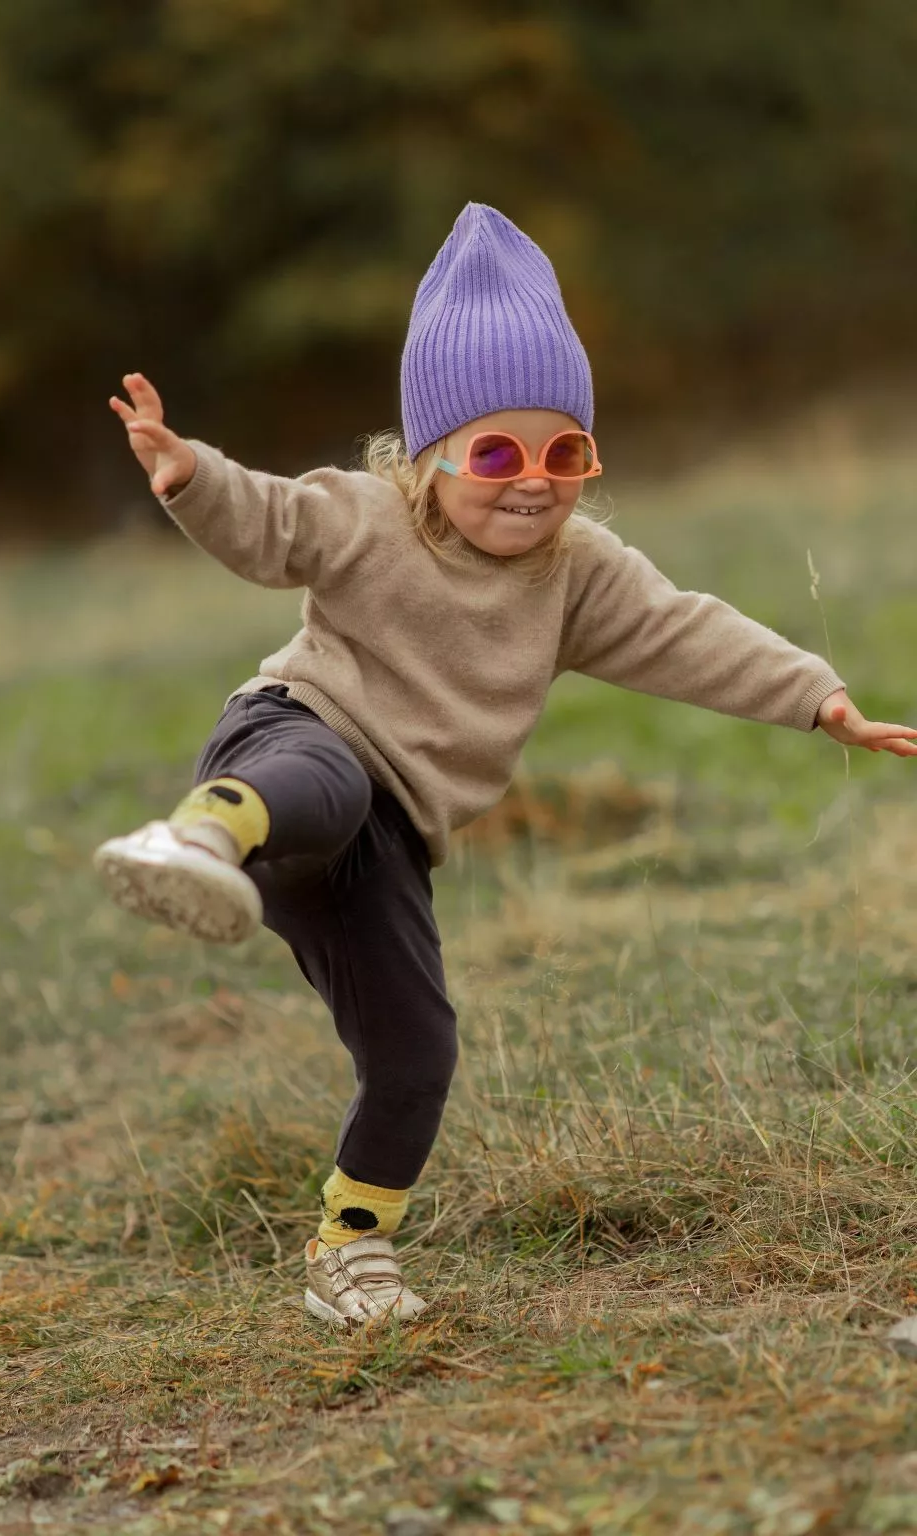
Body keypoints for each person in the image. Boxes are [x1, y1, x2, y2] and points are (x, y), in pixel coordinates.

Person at [95, 202, 916, 1329]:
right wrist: (192, 475)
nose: (532, 481)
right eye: (495, 451)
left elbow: (685, 630)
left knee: (416, 1049)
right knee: (329, 785)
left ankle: (351, 1255)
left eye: (564, 452)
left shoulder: (577, 574)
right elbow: (269, 522)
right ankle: (191, 839)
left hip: (385, 840)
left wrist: (816, 696)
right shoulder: (365, 518)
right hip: (291, 741)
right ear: (429, 458)